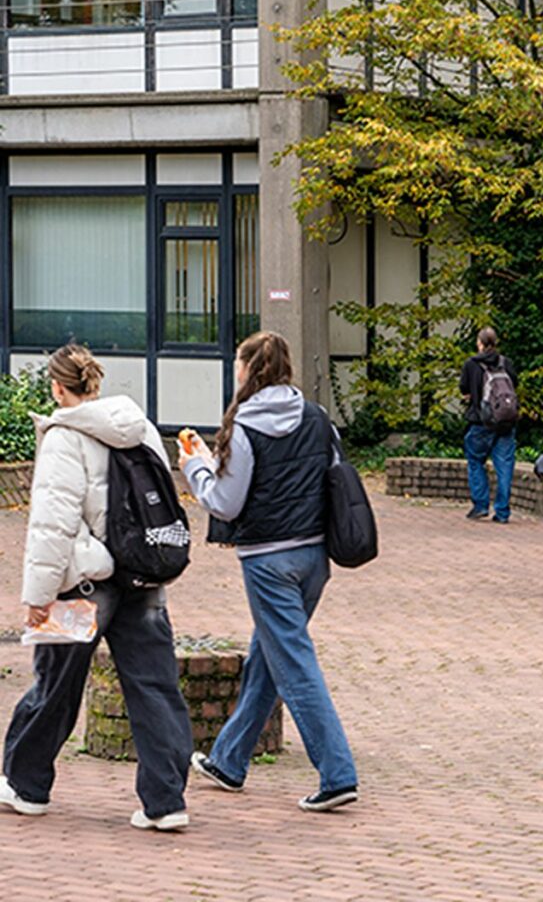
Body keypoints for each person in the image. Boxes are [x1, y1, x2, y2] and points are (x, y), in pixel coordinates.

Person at [0, 344, 193, 831]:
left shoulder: (63, 436)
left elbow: (52, 527)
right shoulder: (140, 426)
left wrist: (38, 598)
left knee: (55, 685)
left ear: (57, 387)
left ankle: (25, 785)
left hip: (85, 586)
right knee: (155, 687)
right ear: (96, 383)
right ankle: (166, 801)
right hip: (144, 576)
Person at [178, 331, 358, 812]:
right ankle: (229, 760)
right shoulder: (317, 417)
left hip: (267, 561)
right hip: (314, 558)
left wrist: (195, 467)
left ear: (248, 369)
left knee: (294, 664)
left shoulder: (243, 427)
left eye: (238, 362)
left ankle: (338, 774)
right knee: (269, 655)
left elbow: (226, 502)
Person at [458, 327, 518, 523]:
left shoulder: (471, 364)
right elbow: (514, 385)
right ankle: (502, 512)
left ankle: (480, 505)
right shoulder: (505, 363)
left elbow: (464, 389)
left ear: (480, 343)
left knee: (475, 461)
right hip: (505, 421)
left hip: (481, 421)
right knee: (504, 465)